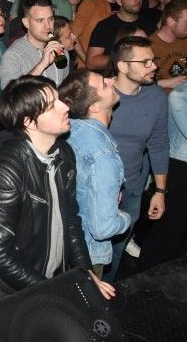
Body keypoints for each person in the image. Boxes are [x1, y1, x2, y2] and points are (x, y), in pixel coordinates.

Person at [0, 75, 115, 305]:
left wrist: (85, 274)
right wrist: (51, 291)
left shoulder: (64, 153)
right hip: (4, 289)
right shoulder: (3, 171)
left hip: (44, 277)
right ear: (28, 121)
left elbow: (70, 220)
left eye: (59, 99)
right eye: (52, 105)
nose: (65, 107)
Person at [138, 44, 187, 270]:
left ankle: (180, 278)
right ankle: (146, 279)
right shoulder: (180, 96)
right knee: (170, 230)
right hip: (183, 167)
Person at [102, 36, 168, 282]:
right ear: (122, 66)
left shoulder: (156, 97)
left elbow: (158, 143)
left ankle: (104, 297)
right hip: (96, 189)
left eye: (153, 60)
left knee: (116, 251)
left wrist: (159, 190)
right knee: (89, 254)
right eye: (145, 62)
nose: (153, 66)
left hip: (131, 188)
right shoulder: (100, 92)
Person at [60, 70, 131, 278]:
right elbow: (103, 228)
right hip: (87, 255)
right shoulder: (103, 156)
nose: (111, 79)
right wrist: (126, 217)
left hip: (62, 247)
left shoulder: (68, 130)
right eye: (104, 83)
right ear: (94, 107)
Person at [0, 0, 69, 88]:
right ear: (26, 23)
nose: (47, 26)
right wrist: (42, 65)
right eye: (40, 20)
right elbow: (10, 94)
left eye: (50, 19)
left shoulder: (60, 50)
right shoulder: (12, 56)